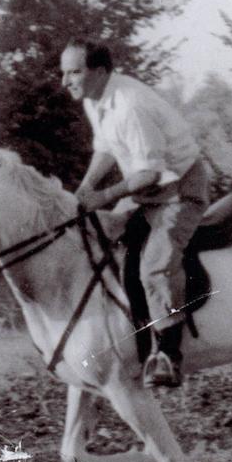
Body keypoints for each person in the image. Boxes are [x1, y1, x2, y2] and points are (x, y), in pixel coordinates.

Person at [59, 38, 210, 388]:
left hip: (179, 190)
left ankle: (169, 356)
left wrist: (104, 196)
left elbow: (150, 173)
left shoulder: (130, 105)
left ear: (98, 72)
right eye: (63, 72)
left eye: (74, 72)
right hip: (147, 190)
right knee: (102, 241)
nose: (65, 82)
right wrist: (85, 188)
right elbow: (106, 148)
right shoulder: (95, 99)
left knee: (155, 267)